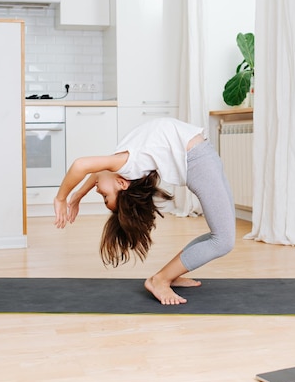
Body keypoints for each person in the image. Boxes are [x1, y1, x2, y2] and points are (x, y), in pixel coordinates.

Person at [53, 117, 235, 305]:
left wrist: (71, 196)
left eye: (103, 197)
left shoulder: (122, 163)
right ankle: (160, 280)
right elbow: (89, 169)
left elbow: (89, 169)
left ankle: (170, 276)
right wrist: (69, 196)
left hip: (203, 156)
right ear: (122, 183)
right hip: (199, 162)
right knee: (223, 241)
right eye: (105, 196)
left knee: (221, 235)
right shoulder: (125, 166)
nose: (98, 190)